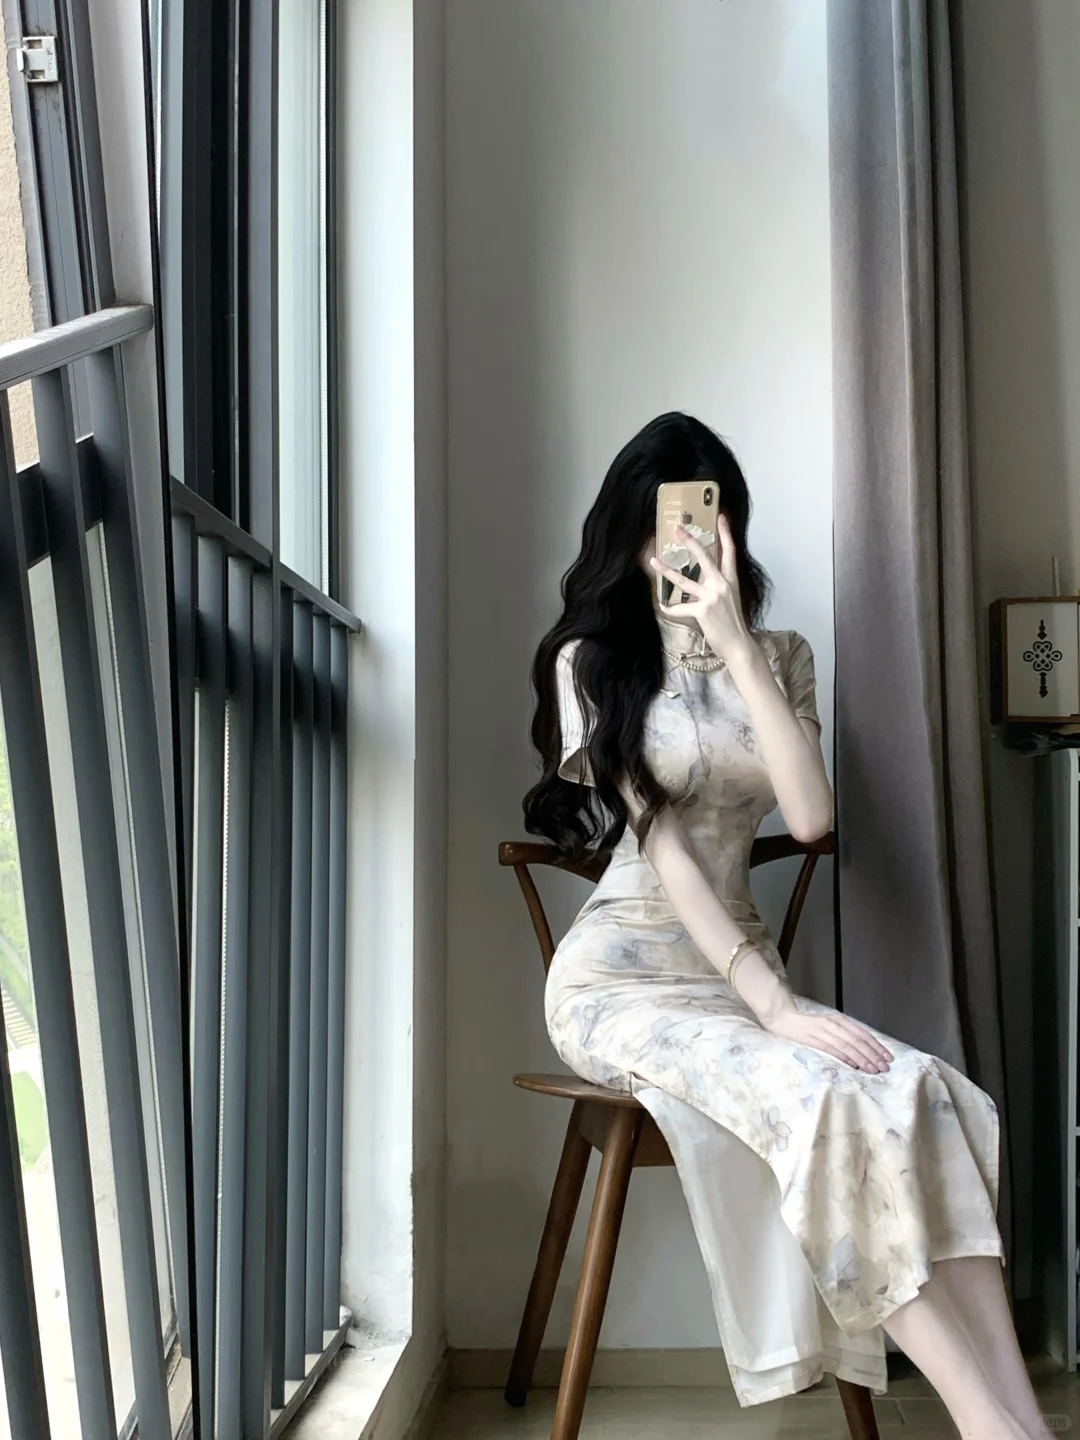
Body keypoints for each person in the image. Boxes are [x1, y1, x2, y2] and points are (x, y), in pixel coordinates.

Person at [523, 412, 1047, 1439]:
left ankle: (1020, 1420)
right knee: (823, 1096)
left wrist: (732, 644)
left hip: (741, 977)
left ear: (730, 528)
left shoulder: (782, 655)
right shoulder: (592, 662)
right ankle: (986, 1425)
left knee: (922, 1090)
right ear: (633, 534)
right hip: (624, 980)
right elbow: (664, 847)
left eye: (705, 521)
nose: (685, 542)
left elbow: (809, 817)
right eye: (666, 525)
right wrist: (774, 1006)